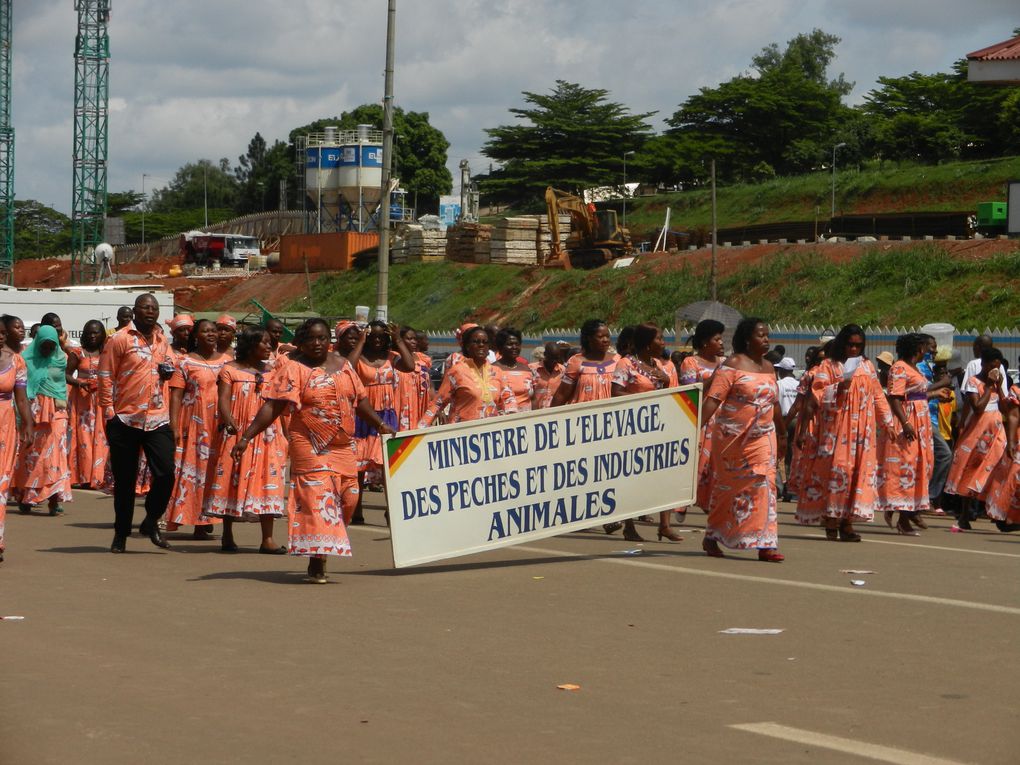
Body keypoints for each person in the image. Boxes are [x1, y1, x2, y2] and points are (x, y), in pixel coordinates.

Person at [233, 318, 394, 583]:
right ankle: (316, 560)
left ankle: (322, 550)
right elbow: (273, 407)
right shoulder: (294, 369)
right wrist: (247, 437)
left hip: (343, 445)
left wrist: (381, 425)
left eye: (322, 338)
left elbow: (360, 401)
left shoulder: (344, 366)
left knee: (349, 498)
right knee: (319, 501)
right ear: (301, 342)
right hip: (308, 443)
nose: (317, 344)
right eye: (311, 339)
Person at [794, 324, 893, 541]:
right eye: (850, 345)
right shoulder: (829, 366)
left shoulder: (867, 367)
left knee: (856, 475)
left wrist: (888, 423)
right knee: (838, 473)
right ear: (842, 344)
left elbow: (878, 397)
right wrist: (838, 388)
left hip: (862, 434)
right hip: (835, 430)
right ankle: (831, 519)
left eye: (858, 345)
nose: (854, 349)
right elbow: (816, 396)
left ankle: (847, 522)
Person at [699, 318, 786, 562]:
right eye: (761, 335)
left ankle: (766, 543)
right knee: (729, 488)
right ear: (748, 339)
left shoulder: (769, 367)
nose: (766, 339)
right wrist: (696, 427)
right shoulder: (733, 364)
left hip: (763, 436)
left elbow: (775, 404)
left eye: (767, 335)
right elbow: (714, 399)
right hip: (732, 438)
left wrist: (783, 432)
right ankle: (713, 535)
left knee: (766, 484)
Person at [98, 293, 176, 552]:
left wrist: (168, 369)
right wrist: (109, 413)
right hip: (125, 418)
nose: (150, 312)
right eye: (145, 307)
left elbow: (170, 366)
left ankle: (151, 519)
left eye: (154, 308)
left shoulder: (163, 340)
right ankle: (121, 534)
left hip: (157, 417)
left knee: (166, 473)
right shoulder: (119, 339)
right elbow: (106, 374)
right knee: (125, 481)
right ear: (135, 311)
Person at [204, 326, 288, 553]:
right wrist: (229, 421)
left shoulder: (274, 371)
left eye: (271, 343)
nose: (269, 347)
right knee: (232, 478)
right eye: (265, 342)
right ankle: (227, 534)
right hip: (238, 431)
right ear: (250, 345)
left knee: (269, 482)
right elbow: (223, 400)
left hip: (268, 434)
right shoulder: (230, 370)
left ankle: (267, 539)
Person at [612, 322, 683, 543]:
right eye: (659, 338)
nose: (663, 342)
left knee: (664, 474)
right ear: (646, 342)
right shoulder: (626, 364)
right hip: (633, 429)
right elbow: (616, 392)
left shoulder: (658, 365)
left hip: (659, 428)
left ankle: (665, 525)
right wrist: (643, 402)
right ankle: (629, 525)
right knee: (632, 478)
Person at [165, 319, 230, 538]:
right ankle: (196, 519)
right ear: (195, 336)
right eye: (206, 331)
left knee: (216, 470)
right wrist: (173, 426)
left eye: (214, 331)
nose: (212, 334)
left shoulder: (229, 362)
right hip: (194, 423)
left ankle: (209, 517)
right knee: (195, 472)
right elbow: (175, 394)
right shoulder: (184, 362)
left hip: (219, 424)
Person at [347, 320, 416, 523]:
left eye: (381, 336)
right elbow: (348, 368)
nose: (377, 340)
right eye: (372, 336)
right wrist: (360, 342)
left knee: (387, 465)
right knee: (358, 467)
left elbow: (410, 365)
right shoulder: (359, 359)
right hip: (363, 414)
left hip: (386, 415)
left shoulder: (391, 358)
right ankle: (356, 510)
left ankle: (391, 510)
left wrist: (397, 339)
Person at [880, 334, 938, 535]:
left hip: (921, 422)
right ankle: (903, 517)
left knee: (922, 465)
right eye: (925, 348)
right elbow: (895, 397)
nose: (928, 351)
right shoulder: (899, 368)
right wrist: (905, 423)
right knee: (907, 466)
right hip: (908, 421)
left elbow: (919, 393)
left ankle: (907, 512)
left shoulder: (915, 369)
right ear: (918, 349)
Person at [13, 325, 73, 516]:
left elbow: (61, 384)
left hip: (57, 411)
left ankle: (54, 499)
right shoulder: (26, 359)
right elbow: (20, 388)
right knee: (32, 455)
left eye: (50, 346)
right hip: (34, 411)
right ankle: (26, 495)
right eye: (43, 346)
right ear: (37, 342)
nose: (47, 350)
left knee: (55, 455)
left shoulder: (62, 358)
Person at [946, 348, 1008, 529]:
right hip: (979, 431)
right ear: (983, 364)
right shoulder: (974, 382)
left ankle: (995, 511)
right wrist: (988, 386)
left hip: (996, 431)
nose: (994, 370)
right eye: (991, 366)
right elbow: (978, 407)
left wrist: (1000, 387)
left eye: (997, 367)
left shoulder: (997, 385)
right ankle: (965, 513)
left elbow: (1005, 409)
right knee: (971, 468)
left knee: (996, 469)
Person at [419, 325, 517, 426]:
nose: (481, 345)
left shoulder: (497, 372)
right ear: (467, 346)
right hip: (462, 434)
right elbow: (438, 403)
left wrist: (515, 424)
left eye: (485, 342)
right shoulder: (457, 371)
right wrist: (418, 433)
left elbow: (509, 400)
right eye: (476, 342)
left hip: (490, 434)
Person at [680, 319, 726, 516]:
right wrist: (714, 377)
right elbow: (691, 393)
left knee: (717, 464)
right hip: (701, 418)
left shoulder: (725, 363)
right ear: (706, 342)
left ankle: (711, 504)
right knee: (696, 464)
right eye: (717, 339)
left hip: (722, 420)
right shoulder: (690, 363)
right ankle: (681, 503)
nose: (722, 343)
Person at [0, 322, 33, 563]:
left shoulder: (17, 361)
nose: (0, 337)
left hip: (6, 427)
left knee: (1, 484)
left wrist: (28, 425)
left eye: (2, 332)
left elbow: (21, 399)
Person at [67, 320, 109, 488]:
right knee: (83, 438)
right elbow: (67, 374)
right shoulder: (77, 353)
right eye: (89, 332)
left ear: (102, 335)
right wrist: (79, 383)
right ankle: (83, 476)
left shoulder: (107, 353)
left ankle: (99, 477)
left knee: (102, 437)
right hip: (82, 401)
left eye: (96, 332)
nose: (93, 336)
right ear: (84, 334)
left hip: (102, 401)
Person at [551, 319, 617, 408]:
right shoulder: (577, 362)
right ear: (589, 339)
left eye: (607, 336)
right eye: (600, 337)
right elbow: (562, 394)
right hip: (584, 417)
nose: (605, 340)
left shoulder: (617, 360)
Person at [394, 325, 432, 430]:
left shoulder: (422, 358)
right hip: (402, 406)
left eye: (415, 338)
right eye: (409, 339)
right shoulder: (394, 358)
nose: (414, 342)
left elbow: (430, 385)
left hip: (420, 406)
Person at [494, 327, 536, 411]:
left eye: (517, 344)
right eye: (510, 344)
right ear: (500, 347)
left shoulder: (527, 369)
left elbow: (533, 398)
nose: (514, 347)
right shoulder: (493, 369)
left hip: (527, 420)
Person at [774, 357, 799, 499]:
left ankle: (778, 486)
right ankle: (789, 487)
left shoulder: (779, 384)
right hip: (796, 420)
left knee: (778, 454)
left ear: (782, 370)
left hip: (782, 420)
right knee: (791, 455)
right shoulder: (798, 383)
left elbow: (776, 403)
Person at [532, 342, 565, 410]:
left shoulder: (563, 371)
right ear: (545, 355)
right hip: (536, 412)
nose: (554, 361)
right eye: (552, 358)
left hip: (555, 412)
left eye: (557, 358)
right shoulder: (532, 370)